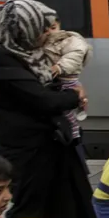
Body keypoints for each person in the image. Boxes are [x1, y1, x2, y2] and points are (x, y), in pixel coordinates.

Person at [0, 0, 99, 218]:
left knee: (57, 205)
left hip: (46, 146)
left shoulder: (20, 53)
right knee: (29, 206)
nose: (46, 34)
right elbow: (41, 100)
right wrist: (73, 95)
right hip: (28, 150)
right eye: (40, 29)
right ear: (23, 29)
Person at [40, 17, 92, 162]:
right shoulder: (39, 44)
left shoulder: (68, 40)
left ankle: (73, 133)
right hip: (56, 84)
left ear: (59, 26)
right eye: (45, 29)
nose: (49, 32)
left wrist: (59, 67)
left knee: (67, 113)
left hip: (67, 80)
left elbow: (76, 55)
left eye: (53, 27)